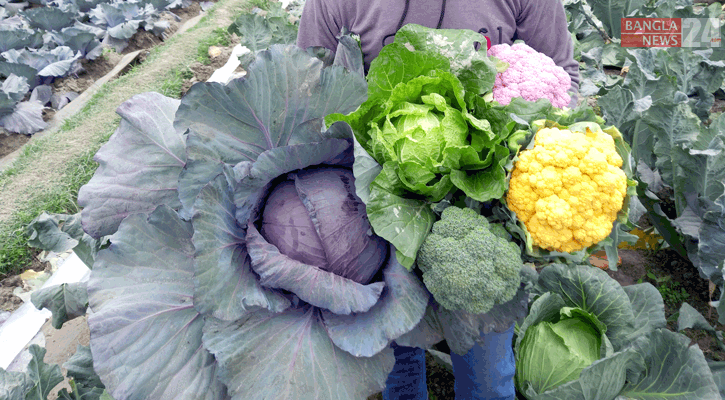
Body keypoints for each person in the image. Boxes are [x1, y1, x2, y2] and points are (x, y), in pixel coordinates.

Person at [296, 1, 580, 399]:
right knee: (397, 368)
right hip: (379, 212)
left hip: (487, 218)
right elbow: (309, 92)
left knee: (489, 380)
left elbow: (562, 79)